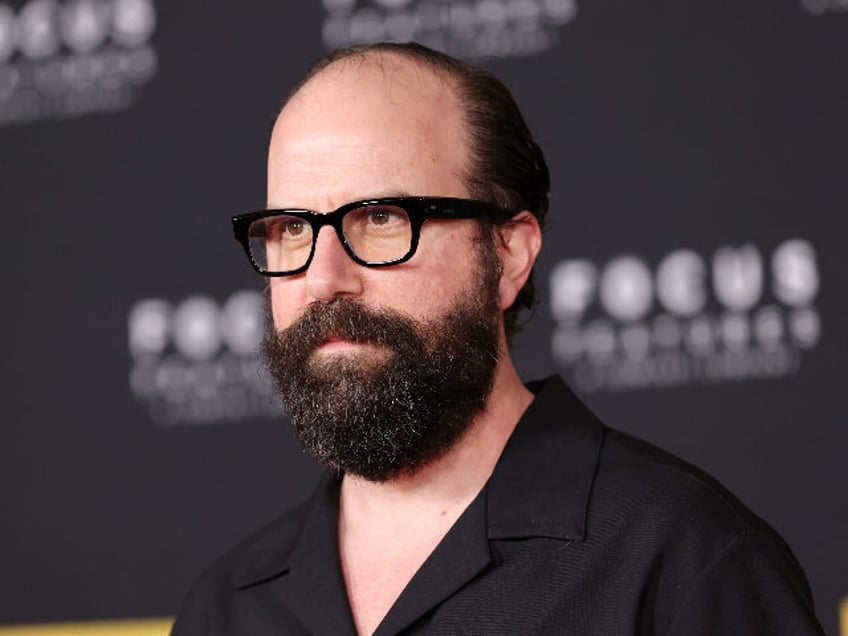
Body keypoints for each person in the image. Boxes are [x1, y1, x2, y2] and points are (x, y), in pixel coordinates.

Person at [172, 42, 824, 635]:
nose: (322, 279)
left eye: (378, 218)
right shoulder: (224, 610)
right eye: (290, 229)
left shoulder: (685, 563)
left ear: (509, 254)